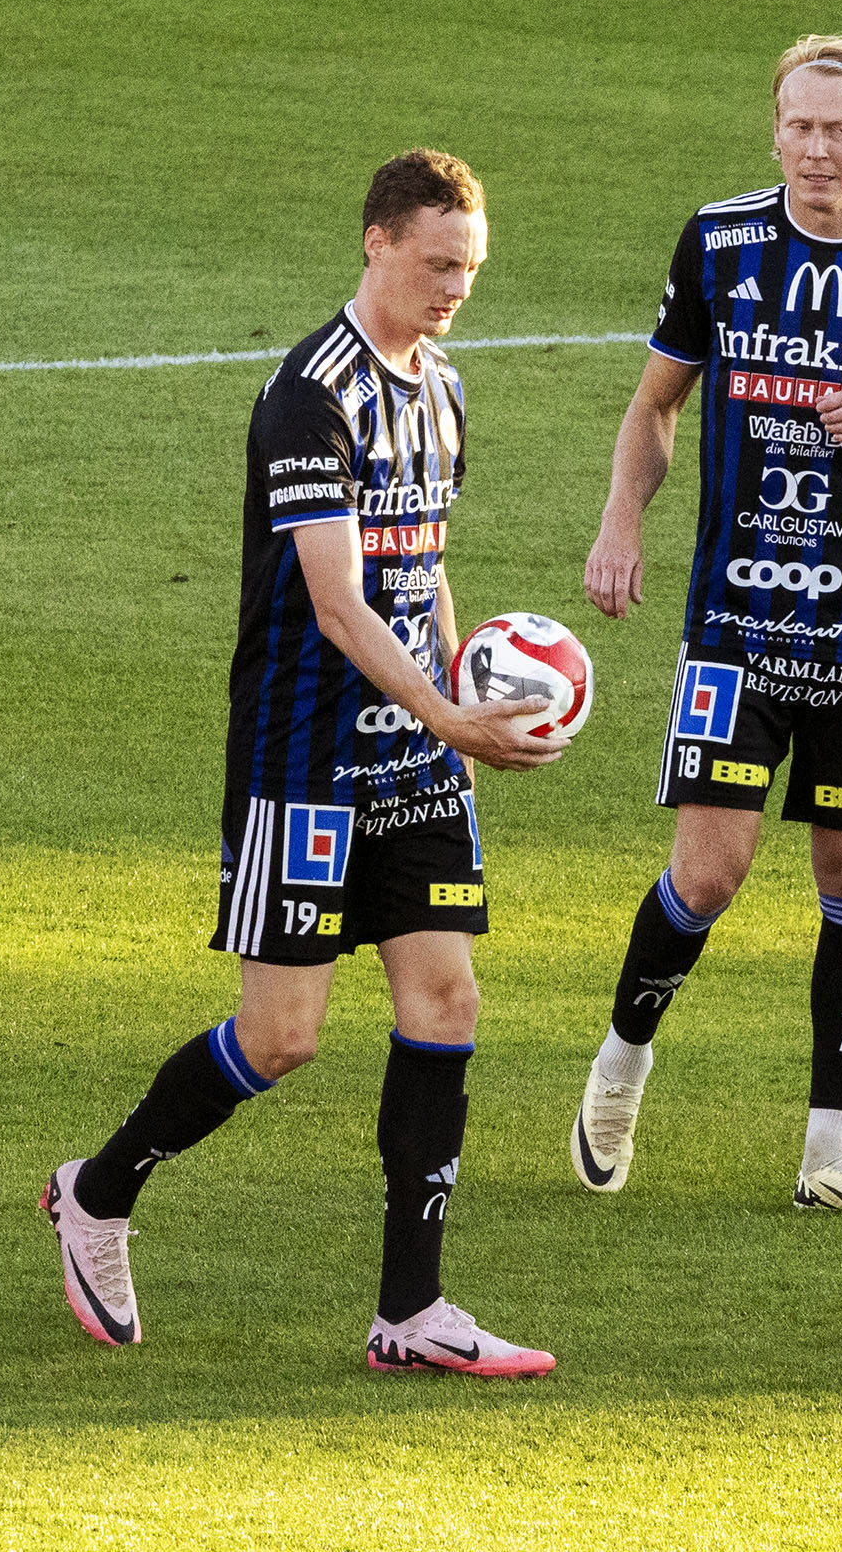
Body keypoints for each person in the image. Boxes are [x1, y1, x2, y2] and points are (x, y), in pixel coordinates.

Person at [43, 150, 566, 1377]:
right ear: (376, 242)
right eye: (437, 264)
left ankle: (412, 1312)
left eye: (471, 270)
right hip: (304, 763)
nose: (454, 289)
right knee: (280, 1038)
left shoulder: (441, 391)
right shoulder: (307, 398)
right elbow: (335, 605)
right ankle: (99, 1191)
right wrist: (448, 712)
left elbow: (422, 561)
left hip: (419, 763)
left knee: (446, 1003)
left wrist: (470, 693)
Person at [572, 35, 842, 1215]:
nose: (815, 147)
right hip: (737, 620)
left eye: (837, 129)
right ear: (774, 130)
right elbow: (656, 405)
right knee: (709, 873)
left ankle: (828, 1155)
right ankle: (620, 1065)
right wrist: (621, 523)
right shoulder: (720, 243)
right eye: (797, 126)